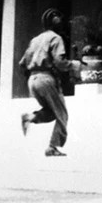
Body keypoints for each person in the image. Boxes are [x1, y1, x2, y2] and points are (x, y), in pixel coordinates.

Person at [19, 8, 82, 157]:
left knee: (51, 112)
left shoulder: (35, 40)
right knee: (62, 114)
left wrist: (33, 74)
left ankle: (30, 117)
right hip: (46, 78)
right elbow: (60, 62)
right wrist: (74, 65)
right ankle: (53, 147)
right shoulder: (56, 38)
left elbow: (22, 64)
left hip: (33, 80)